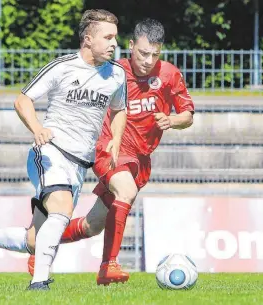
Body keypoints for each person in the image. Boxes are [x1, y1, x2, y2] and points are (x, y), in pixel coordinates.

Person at [0, 9, 127, 290]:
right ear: (88, 39)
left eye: (115, 37)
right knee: (62, 208)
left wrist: (116, 139)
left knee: (35, 240)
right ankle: (39, 283)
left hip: (80, 164)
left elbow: (119, 110)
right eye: (108, 37)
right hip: (50, 152)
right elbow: (23, 100)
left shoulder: (116, 75)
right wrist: (37, 129)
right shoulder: (62, 66)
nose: (114, 43)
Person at [28, 18, 195, 285]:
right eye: (142, 53)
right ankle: (109, 266)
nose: (148, 60)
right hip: (110, 147)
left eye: (155, 54)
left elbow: (187, 114)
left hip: (141, 159)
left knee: (92, 225)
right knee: (125, 191)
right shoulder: (113, 71)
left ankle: (41, 243)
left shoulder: (169, 75)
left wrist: (172, 120)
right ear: (131, 46)